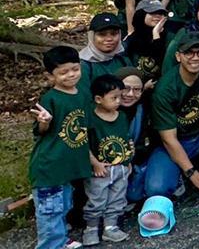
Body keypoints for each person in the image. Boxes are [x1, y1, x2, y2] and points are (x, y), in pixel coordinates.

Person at [146, 32, 199, 199]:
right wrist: (192, 173)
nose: (195, 57)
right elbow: (169, 139)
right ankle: (184, 170)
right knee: (156, 189)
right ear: (178, 56)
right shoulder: (165, 89)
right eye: (188, 52)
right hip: (176, 141)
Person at [29, 45, 92, 249]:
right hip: (50, 166)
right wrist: (44, 121)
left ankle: (60, 240)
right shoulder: (50, 98)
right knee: (50, 210)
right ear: (51, 76)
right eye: (63, 72)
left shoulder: (82, 92)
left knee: (64, 205)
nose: (71, 75)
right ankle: (50, 245)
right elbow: (41, 130)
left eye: (75, 69)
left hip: (68, 165)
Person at [83, 74, 132, 245]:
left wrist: (128, 161)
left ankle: (111, 227)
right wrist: (95, 163)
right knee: (96, 199)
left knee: (118, 198)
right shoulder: (90, 119)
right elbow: (84, 144)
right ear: (98, 99)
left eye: (120, 97)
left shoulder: (122, 117)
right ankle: (91, 228)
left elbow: (125, 139)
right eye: (114, 98)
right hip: (100, 169)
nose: (119, 101)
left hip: (120, 167)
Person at [114, 68, 152, 205]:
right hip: (106, 166)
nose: (130, 94)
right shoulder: (102, 111)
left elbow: (149, 143)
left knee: (134, 195)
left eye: (137, 90)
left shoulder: (144, 110)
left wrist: (133, 154)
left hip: (134, 162)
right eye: (125, 88)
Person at [80, 13, 133, 90]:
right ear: (92, 36)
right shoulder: (84, 66)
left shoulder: (123, 60)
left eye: (114, 34)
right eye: (102, 34)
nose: (109, 39)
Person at [123, 0, 170, 84]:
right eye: (152, 13)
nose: (158, 16)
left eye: (161, 13)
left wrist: (156, 35)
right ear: (141, 15)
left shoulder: (169, 38)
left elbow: (165, 64)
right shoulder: (130, 42)